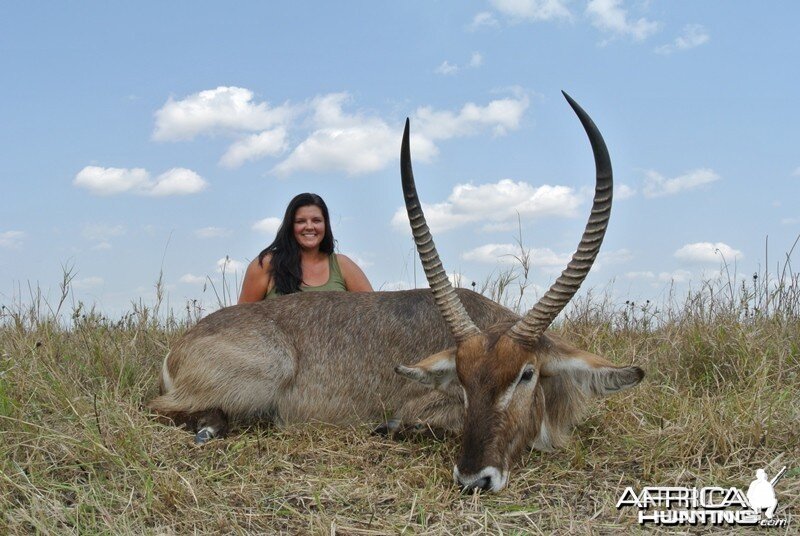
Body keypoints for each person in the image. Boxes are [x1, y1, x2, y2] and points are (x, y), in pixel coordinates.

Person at [238, 193, 373, 303]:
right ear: (290, 226)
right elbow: (241, 321)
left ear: (325, 225)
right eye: (300, 221)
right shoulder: (265, 264)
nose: (309, 226)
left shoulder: (343, 265)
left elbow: (375, 313)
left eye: (316, 220)